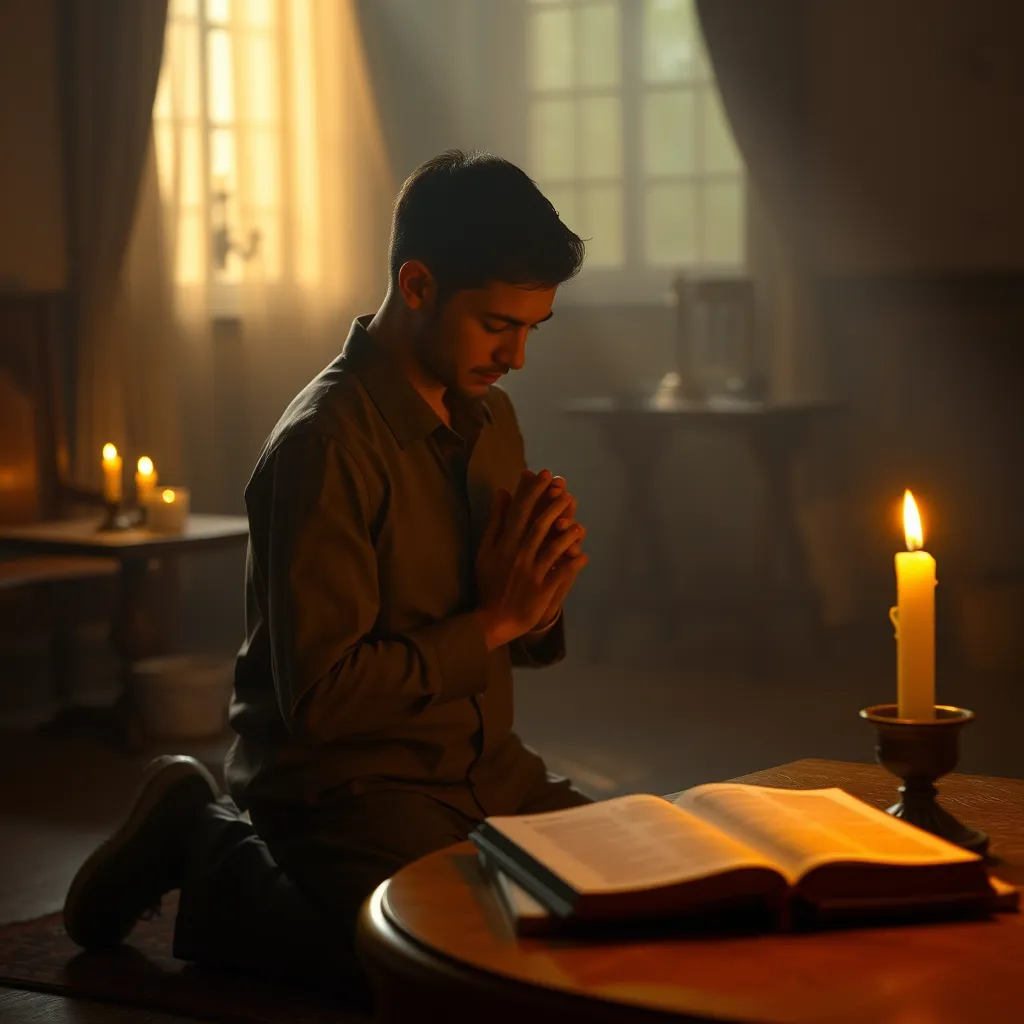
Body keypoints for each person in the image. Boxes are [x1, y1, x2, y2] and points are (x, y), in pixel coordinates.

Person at [62, 150, 591, 1004]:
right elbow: (325, 697)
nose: (518, 357)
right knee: (446, 968)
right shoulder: (325, 446)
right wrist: (493, 622)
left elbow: (496, 627)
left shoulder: (490, 417)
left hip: (489, 775)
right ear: (416, 284)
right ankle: (203, 841)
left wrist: (534, 601)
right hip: (348, 792)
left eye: (534, 328)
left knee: (638, 903)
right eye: (499, 325)